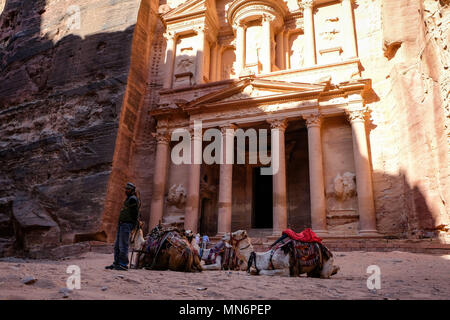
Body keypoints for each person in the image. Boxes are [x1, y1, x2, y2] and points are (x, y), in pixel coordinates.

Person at [105, 182, 140, 271]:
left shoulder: (133, 199)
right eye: (126, 189)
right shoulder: (128, 199)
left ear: (132, 190)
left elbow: (135, 214)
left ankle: (123, 264)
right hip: (122, 224)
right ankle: (116, 263)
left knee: (123, 245)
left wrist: (133, 224)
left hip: (126, 224)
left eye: (128, 189)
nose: (126, 190)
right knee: (117, 245)